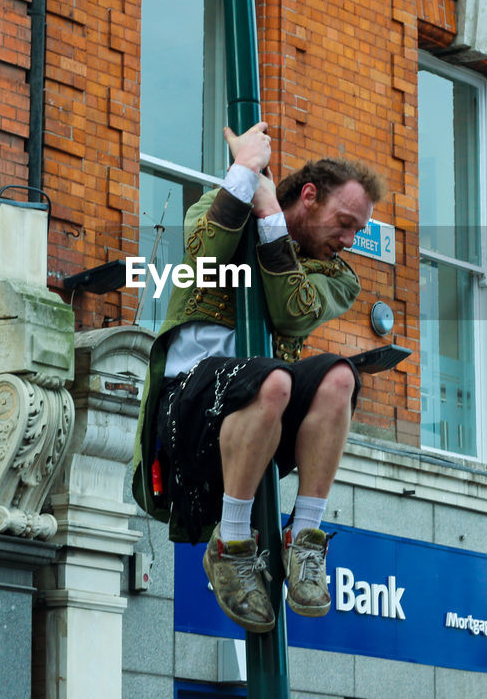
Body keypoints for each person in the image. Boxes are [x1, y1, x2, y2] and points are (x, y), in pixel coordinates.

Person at [131, 121, 384, 633]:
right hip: (189, 404)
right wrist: (244, 172)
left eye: (358, 229)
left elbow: (292, 310)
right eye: (344, 222)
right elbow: (202, 256)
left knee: (339, 377)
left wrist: (270, 215)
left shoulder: (338, 277)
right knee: (272, 380)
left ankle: (306, 537)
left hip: (262, 404)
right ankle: (232, 543)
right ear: (309, 197)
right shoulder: (220, 203)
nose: (350, 239)